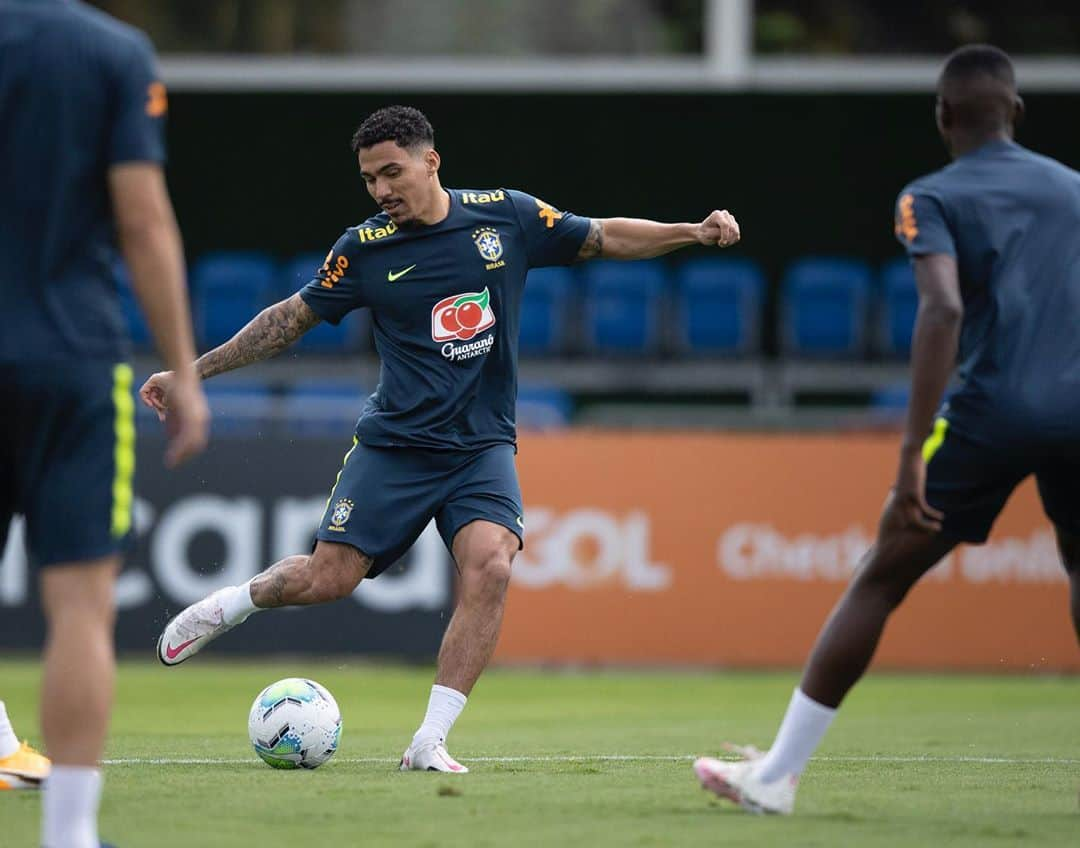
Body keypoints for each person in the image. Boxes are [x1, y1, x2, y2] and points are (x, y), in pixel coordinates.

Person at [144, 104, 740, 773]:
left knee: (493, 564)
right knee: (326, 579)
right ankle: (228, 606)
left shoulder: (505, 216)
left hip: (482, 446)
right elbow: (286, 321)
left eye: (391, 173)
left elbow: (603, 237)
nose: (380, 190)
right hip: (396, 445)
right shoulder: (364, 249)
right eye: (369, 179)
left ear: (431, 161)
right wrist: (191, 375)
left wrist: (690, 230)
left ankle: (429, 741)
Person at [693, 44, 1080, 815]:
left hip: (989, 412)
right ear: (1018, 113)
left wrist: (909, 455)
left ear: (943, 117)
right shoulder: (1074, 190)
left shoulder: (928, 197)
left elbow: (941, 309)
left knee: (882, 573)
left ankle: (775, 777)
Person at [0, 0, 210, 844]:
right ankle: (69, 834)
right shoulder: (111, 52)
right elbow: (142, 218)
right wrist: (185, 374)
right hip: (71, 360)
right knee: (81, 610)